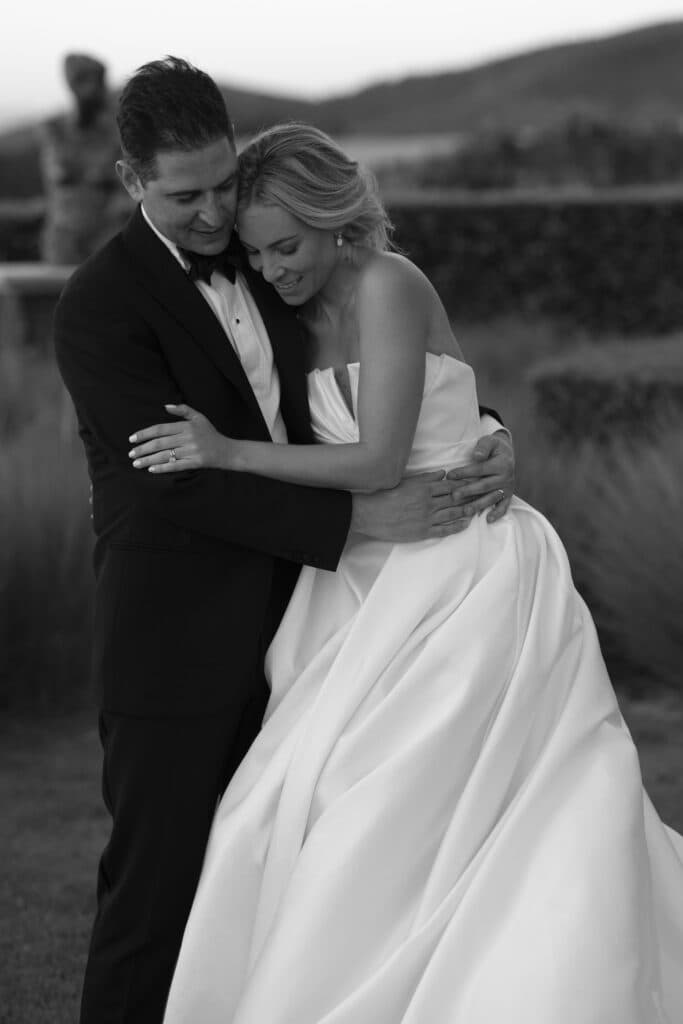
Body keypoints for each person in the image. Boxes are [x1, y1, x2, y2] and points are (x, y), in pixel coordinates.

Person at [124, 123, 683, 1024]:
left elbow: (385, 456)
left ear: (337, 221)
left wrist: (225, 453)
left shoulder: (390, 282)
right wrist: (489, 428)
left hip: (467, 573)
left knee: (481, 795)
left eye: (287, 246)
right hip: (354, 586)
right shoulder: (286, 317)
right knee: (310, 801)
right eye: (258, 252)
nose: (271, 269)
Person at [53, 59, 514, 1024]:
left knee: (294, 885)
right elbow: (170, 486)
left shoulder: (275, 262)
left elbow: (378, 371)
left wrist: (485, 431)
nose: (218, 213)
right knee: (155, 899)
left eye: (225, 182)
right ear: (133, 181)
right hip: (175, 642)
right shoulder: (99, 305)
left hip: (313, 633)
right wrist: (355, 520)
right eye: (187, 194)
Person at [40, 53, 132, 263]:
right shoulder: (56, 130)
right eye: (81, 81)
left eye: (93, 81)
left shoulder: (118, 130)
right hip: (65, 237)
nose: (89, 90)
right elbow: (60, 173)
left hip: (107, 233)